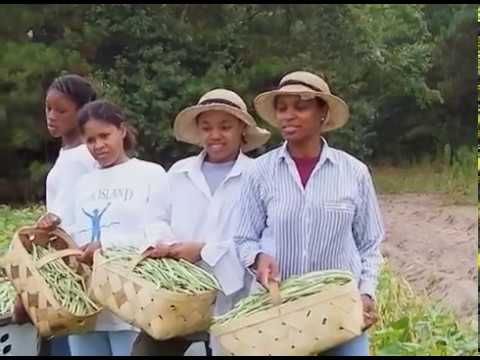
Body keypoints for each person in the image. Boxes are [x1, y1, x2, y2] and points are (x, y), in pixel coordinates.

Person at [234, 71, 385, 356]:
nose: (288, 116)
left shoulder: (353, 172)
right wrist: (258, 258)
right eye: (282, 108)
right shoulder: (260, 172)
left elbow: (370, 244)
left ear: (322, 113)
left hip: (340, 310)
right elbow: (244, 237)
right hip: (280, 310)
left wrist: (366, 292)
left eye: (300, 107)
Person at [130, 89, 271, 356]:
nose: (215, 135)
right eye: (206, 128)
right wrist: (168, 247)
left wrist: (204, 250)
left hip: (235, 293)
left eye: (225, 127)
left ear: (242, 129)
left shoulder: (258, 175)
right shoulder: (179, 173)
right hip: (177, 292)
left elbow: (263, 236)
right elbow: (155, 218)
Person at [47, 99, 168, 356]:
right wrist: (50, 228)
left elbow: (160, 235)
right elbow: (67, 234)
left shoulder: (150, 174)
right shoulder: (82, 184)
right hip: (88, 306)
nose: (99, 145)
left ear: (122, 131)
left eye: (105, 135)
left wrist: (109, 246)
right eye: (90, 140)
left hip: (132, 302)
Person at [13, 74, 98, 356]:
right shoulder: (68, 154)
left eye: (61, 110)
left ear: (82, 111)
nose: (51, 116)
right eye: (48, 108)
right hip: (59, 269)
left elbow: (74, 218)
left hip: (71, 269)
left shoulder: (87, 156)